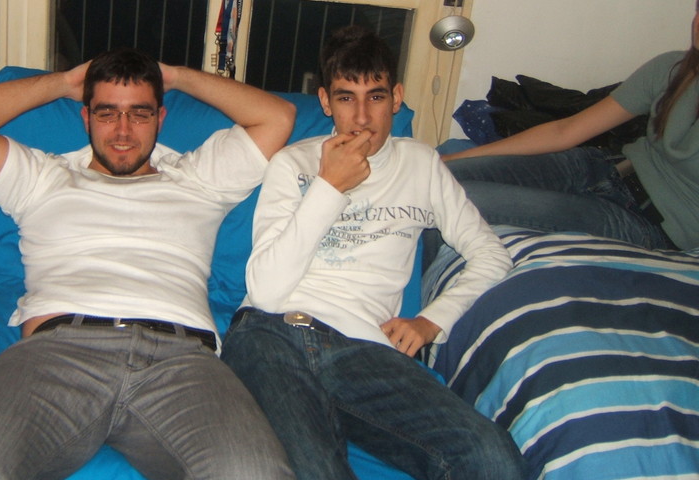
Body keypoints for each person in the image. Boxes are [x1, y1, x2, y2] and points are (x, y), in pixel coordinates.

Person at [0, 48, 297, 480]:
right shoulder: (43, 178)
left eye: (140, 113)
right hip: (57, 354)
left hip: (181, 361)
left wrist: (175, 76)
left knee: (256, 473)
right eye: (107, 113)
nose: (123, 131)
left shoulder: (199, 177)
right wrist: (63, 82)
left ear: (161, 117)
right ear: (85, 117)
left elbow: (278, 116)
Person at [220, 26, 527, 480]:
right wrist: (329, 186)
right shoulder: (294, 163)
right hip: (270, 335)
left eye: (376, 97)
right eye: (346, 98)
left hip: (365, 351)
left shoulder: (420, 164)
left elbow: (490, 254)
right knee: (315, 469)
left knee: (493, 458)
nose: (362, 117)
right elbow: (265, 291)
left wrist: (432, 320)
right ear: (326, 102)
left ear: (396, 97)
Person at [444, 0, 699, 252]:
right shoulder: (671, 69)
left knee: (457, 199)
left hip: (648, 224)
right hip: (603, 168)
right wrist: (453, 158)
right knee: (436, 177)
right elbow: (565, 130)